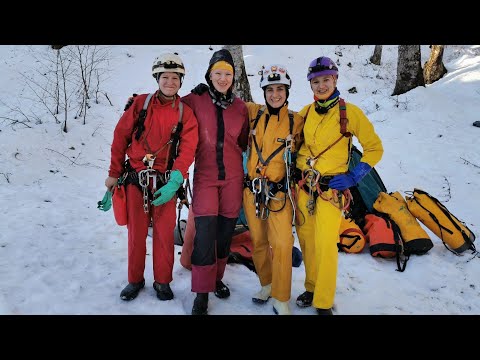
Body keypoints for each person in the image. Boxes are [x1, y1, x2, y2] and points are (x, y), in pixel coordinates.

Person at [105, 53, 198, 302]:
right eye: (165, 77)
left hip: (166, 182)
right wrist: (114, 175)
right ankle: (135, 279)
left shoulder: (184, 114)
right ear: (157, 78)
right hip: (136, 179)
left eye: (175, 78)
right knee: (136, 233)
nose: (170, 82)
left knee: (164, 234)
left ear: (181, 81)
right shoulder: (140, 105)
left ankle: (162, 282)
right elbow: (120, 137)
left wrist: (176, 180)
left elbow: (188, 149)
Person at [294, 56, 383, 315]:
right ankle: (311, 287)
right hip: (304, 189)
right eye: (316, 82)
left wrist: (356, 176)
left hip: (331, 191)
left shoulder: (350, 113)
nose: (321, 86)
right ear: (310, 85)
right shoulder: (305, 113)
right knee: (307, 242)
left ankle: (323, 300)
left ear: (335, 80)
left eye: (326, 80)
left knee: (326, 245)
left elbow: (374, 148)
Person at [181, 49, 249, 315]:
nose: (223, 78)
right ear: (209, 75)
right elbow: (166, 104)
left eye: (228, 74)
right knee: (205, 235)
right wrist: (138, 100)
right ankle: (201, 292)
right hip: (206, 177)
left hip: (233, 178)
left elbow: (243, 142)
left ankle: (216, 278)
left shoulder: (241, 108)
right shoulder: (195, 100)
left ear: (234, 77)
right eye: (218, 73)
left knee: (223, 235)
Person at [243, 64, 304, 315]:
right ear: (263, 92)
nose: (275, 94)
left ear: (287, 92)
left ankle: (281, 296)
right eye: (270, 90)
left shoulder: (297, 120)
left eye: (280, 89)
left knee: (281, 243)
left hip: (279, 193)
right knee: (258, 241)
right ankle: (266, 284)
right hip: (252, 191)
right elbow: (223, 103)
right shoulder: (252, 113)